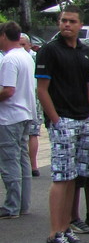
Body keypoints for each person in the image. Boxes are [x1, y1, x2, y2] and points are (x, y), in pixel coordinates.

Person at [36, 6, 89, 243]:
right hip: (63, 119)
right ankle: (54, 234)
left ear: (80, 25)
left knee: (75, 176)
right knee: (61, 176)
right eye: (63, 21)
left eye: (71, 21)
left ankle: (65, 227)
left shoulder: (85, 52)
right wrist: (55, 119)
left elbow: (86, 86)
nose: (66, 25)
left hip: (84, 119)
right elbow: (42, 89)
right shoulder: (49, 51)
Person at [0, 22, 35, 219]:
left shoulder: (9, 60)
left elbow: (8, 89)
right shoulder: (26, 56)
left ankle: (12, 205)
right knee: (22, 160)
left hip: (9, 116)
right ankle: (23, 204)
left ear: (4, 35)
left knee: (9, 161)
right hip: (25, 112)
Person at [20, 34, 41, 179]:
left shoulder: (34, 57)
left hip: (33, 98)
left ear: (29, 45)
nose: (21, 48)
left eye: (23, 45)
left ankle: (33, 165)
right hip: (21, 99)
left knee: (33, 133)